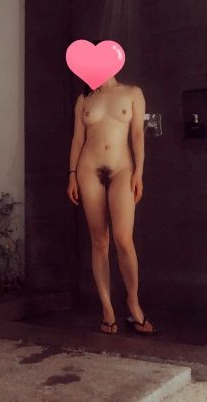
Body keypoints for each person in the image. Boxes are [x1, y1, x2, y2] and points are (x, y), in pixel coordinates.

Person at [66, 74, 157, 335]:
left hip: (122, 168)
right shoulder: (84, 99)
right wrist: (71, 175)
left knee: (123, 239)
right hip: (88, 168)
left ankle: (133, 302)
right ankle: (107, 310)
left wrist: (139, 172)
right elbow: (78, 139)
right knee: (99, 241)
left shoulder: (132, 92)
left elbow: (138, 134)